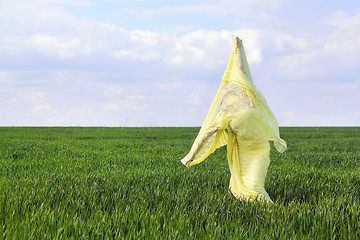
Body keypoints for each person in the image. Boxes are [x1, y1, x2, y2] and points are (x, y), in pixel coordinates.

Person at [181, 35, 287, 202]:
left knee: (254, 187)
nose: (234, 91)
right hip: (242, 153)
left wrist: (239, 47)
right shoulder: (224, 114)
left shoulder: (250, 96)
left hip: (259, 151)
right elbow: (205, 135)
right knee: (239, 192)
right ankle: (255, 218)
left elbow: (241, 70)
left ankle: (275, 214)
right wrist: (191, 156)